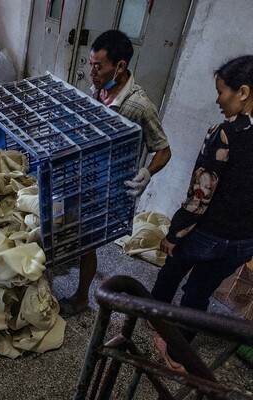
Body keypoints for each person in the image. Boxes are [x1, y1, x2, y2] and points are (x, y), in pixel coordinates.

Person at [150, 55, 253, 371]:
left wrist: (174, 233)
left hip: (208, 233)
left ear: (243, 92)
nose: (218, 100)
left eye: (222, 91)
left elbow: (200, 194)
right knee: (199, 292)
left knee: (173, 265)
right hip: (245, 240)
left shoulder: (224, 134)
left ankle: (154, 318)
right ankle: (178, 355)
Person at [59, 29, 172, 317]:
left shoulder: (139, 105)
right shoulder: (98, 90)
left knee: (89, 243)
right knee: (68, 227)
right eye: (89, 63)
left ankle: (82, 297)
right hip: (83, 174)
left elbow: (163, 150)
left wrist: (147, 172)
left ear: (120, 66)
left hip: (106, 185)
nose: (91, 71)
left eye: (98, 66)